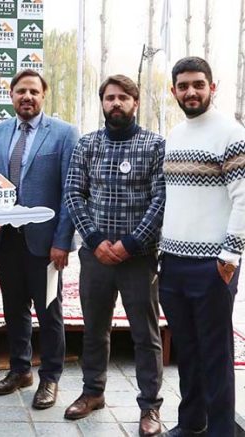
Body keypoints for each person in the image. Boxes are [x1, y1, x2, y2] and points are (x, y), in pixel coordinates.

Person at [63, 75, 165, 435]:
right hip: (96, 255)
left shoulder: (154, 145)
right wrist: (93, 239)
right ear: (102, 103)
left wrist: (131, 243)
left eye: (123, 97)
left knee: (145, 334)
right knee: (95, 329)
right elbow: (74, 193)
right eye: (110, 98)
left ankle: (150, 407)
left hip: (138, 257)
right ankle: (93, 393)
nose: (116, 103)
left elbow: (160, 200)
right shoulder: (87, 145)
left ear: (135, 102)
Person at [159, 57, 245, 437]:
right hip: (174, 261)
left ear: (213, 87)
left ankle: (222, 430)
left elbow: (243, 198)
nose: (190, 91)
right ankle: (192, 421)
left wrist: (229, 256)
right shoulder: (175, 135)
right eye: (183, 85)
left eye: (198, 84)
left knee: (215, 352)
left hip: (213, 264)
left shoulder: (231, 133)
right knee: (187, 351)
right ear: (173, 90)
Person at [0, 69, 78, 409]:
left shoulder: (65, 134)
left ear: (43, 95)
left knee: (49, 312)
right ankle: (20, 370)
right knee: (15, 309)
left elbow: (71, 192)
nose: (27, 97)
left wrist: (64, 241)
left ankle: (49, 379)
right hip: (7, 240)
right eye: (21, 91)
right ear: (11, 95)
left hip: (46, 242)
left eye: (34, 91)